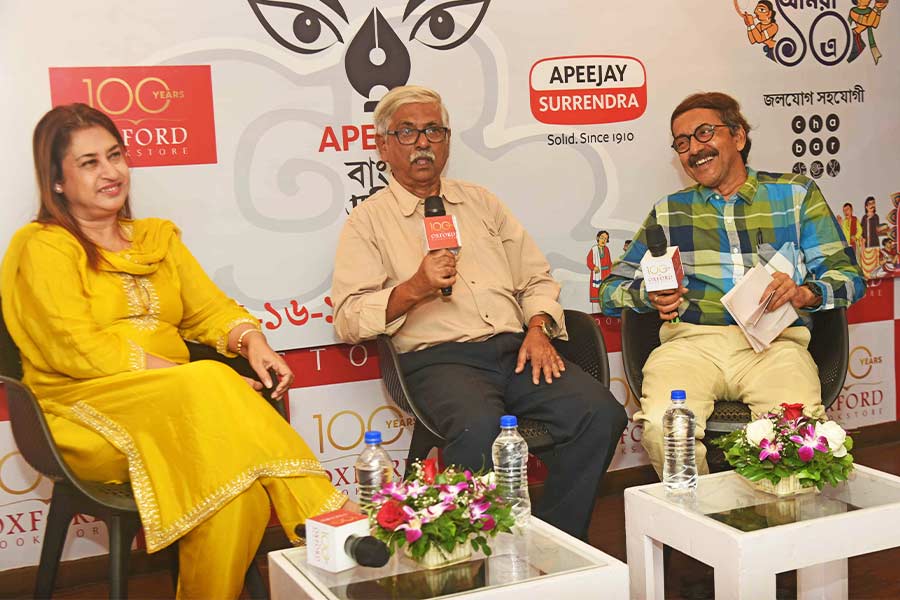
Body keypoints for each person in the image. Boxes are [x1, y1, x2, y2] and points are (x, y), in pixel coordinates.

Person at [0, 104, 350, 599]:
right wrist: (186, 378)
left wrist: (253, 341)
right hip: (80, 411)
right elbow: (72, 347)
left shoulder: (156, 239)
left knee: (240, 491)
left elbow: (209, 311)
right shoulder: (44, 247)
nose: (110, 172)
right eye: (89, 162)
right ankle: (328, 521)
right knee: (210, 381)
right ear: (56, 181)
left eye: (115, 155)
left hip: (181, 406)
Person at [330, 85, 627, 542]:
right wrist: (414, 288)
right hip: (438, 362)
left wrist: (538, 328)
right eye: (407, 132)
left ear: (447, 140)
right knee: (478, 430)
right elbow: (348, 318)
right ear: (382, 145)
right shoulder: (368, 221)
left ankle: (555, 543)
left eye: (433, 130)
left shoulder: (482, 203)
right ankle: (471, 556)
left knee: (600, 414)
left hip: (517, 351)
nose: (423, 142)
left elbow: (537, 278)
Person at [599, 92, 864, 476]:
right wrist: (649, 295)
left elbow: (849, 277)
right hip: (691, 344)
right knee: (665, 427)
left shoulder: (795, 195)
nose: (694, 149)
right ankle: (699, 528)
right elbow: (610, 289)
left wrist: (806, 292)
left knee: (797, 435)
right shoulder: (670, 211)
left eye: (705, 133)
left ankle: (781, 531)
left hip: (775, 346)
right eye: (683, 142)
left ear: (738, 137)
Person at [587, 230, 612, 303]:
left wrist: (611, 272)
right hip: (597, 273)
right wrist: (594, 267)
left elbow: (609, 262)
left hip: (606, 273)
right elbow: (589, 261)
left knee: (605, 292)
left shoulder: (606, 249)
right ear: (598, 238)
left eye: (605, 239)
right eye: (602, 238)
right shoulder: (593, 249)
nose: (603, 240)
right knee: (597, 292)